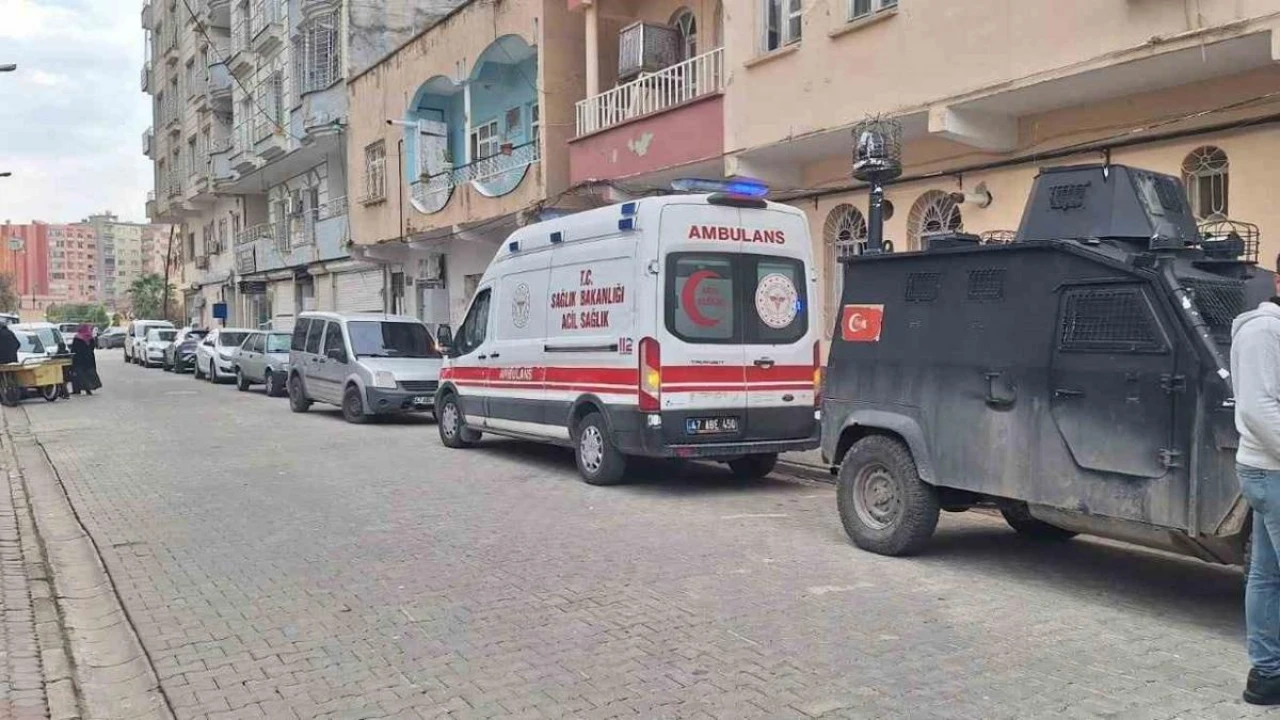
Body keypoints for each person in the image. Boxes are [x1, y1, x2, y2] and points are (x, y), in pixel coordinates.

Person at [1233, 260, 1280, 705]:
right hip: (1273, 470)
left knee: (1267, 575)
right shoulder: (1264, 331)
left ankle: (1267, 677)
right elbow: (1258, 410)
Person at [69, 324, 99, 396]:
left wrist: (72, 357)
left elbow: (74, 349)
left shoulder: (77, 338)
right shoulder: (90, 338)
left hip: (79, 359)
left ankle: (77, 390)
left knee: (77, 374)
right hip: (89, 359)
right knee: (87, 374)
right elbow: (92, 347)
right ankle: (88, 389)